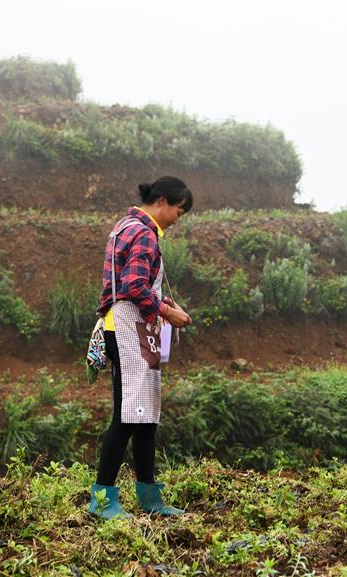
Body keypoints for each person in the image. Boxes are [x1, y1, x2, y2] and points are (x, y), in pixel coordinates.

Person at [89, 176, 193, 520]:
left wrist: (162, 304)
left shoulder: (127, 226)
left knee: (145, 414)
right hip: (127, 328)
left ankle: (150, 498)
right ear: (162, 201)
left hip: (128, 327)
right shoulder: (144, 232)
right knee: (130, 415)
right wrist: (166, 311)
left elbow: (135, 283)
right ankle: (102, 501)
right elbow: (134, 285)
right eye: (179, 209)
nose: (179, 217)